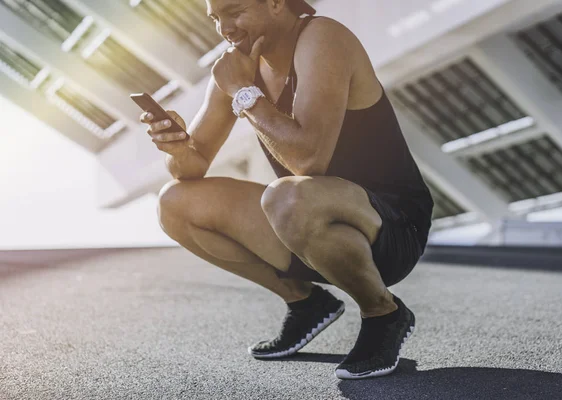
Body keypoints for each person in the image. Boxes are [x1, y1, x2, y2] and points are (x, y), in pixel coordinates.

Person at [141, 0, 433, 380]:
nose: (225, 28)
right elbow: (190, 170)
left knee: (287, 195)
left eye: (235, 11)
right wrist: (176, 147)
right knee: (175, 203)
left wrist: (245, 93)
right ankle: (306, 302)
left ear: (277, 2)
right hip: (309, 222)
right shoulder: (236, 68)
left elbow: (309, 161)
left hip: (393, 226)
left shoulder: (322, 37)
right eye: (216, 18)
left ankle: (383, 313)